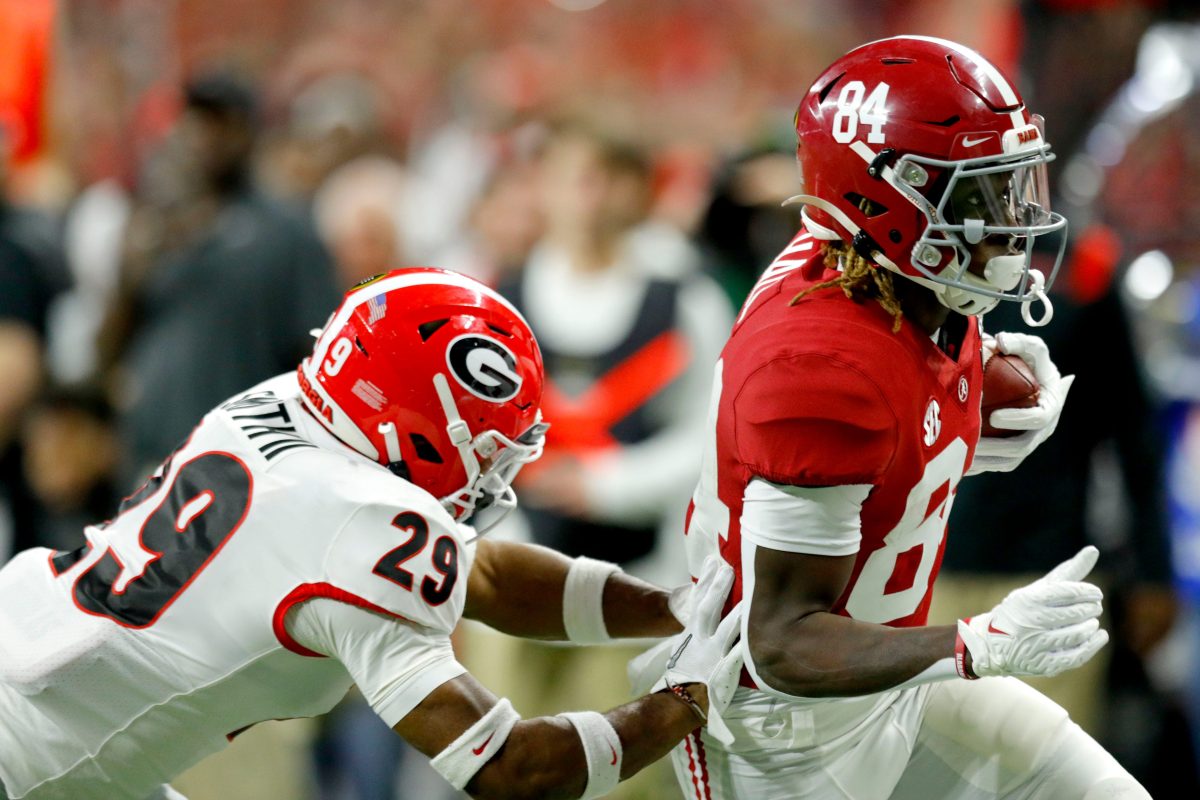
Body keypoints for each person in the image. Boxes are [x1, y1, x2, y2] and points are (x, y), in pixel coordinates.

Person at [0, 268, 743, 800]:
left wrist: (671, 609)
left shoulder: (296, 404)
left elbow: (480, 578)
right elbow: (514, 770)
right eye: (488, 446)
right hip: (38, 767)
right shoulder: (360, 526)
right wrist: (685, 699)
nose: (492, 471)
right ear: (415, 425)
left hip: (46, 689)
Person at [673, 36, 1150, 799]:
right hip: (790, 735)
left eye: (1013, 185)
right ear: (885, 201)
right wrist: (974, 644)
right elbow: (782, 642)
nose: (1014, 221)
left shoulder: (893, 270)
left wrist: (971, 407)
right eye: (981, 198)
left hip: (895, 680)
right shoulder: (819, 367)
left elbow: (901, 385)